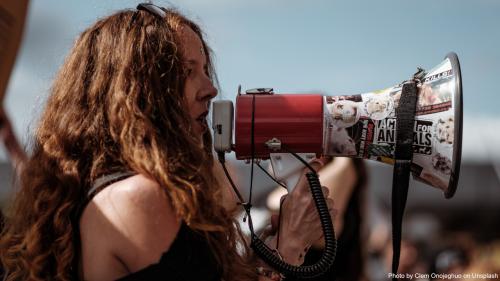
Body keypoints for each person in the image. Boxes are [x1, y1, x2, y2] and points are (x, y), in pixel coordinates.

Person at [0, 3, 335, 281]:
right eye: (188, 71)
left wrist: (270, 251)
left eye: (205, 69)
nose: (211, 88)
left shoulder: (108, 191)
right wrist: (291, 246)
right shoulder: (137, 199)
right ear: (136, 93)